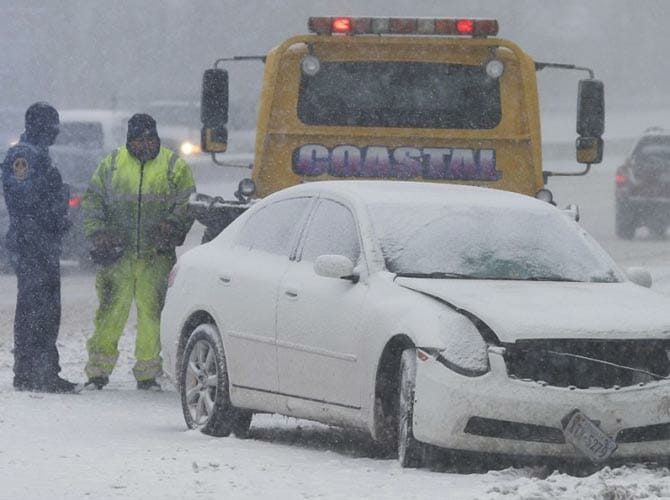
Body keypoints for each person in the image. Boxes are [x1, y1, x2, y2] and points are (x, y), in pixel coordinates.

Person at [82, 113, 195, 391]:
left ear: (156, 138)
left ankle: (147, 373)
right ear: (129, 140)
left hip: (156, 256)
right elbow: (93, 202)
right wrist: (98, 233)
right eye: (139, 139)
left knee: (152, 314)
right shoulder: (111, 165)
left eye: (150, 138)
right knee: (110, 312)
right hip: (117, 257)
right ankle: (97, 371)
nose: (145, 144)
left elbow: (187, 202)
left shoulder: (173, 166)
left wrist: (172, 225)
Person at [1, 102, 79, 393]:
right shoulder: (24, 155)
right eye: (52, 127)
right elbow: (24, 201)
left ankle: (38, 370)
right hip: (34, 243)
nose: (56, 133)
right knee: (37, 310)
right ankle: (35, 372)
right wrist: (49, 222)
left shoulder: (38, 154)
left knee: (45, 309)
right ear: (39, 127)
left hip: (41, 242)